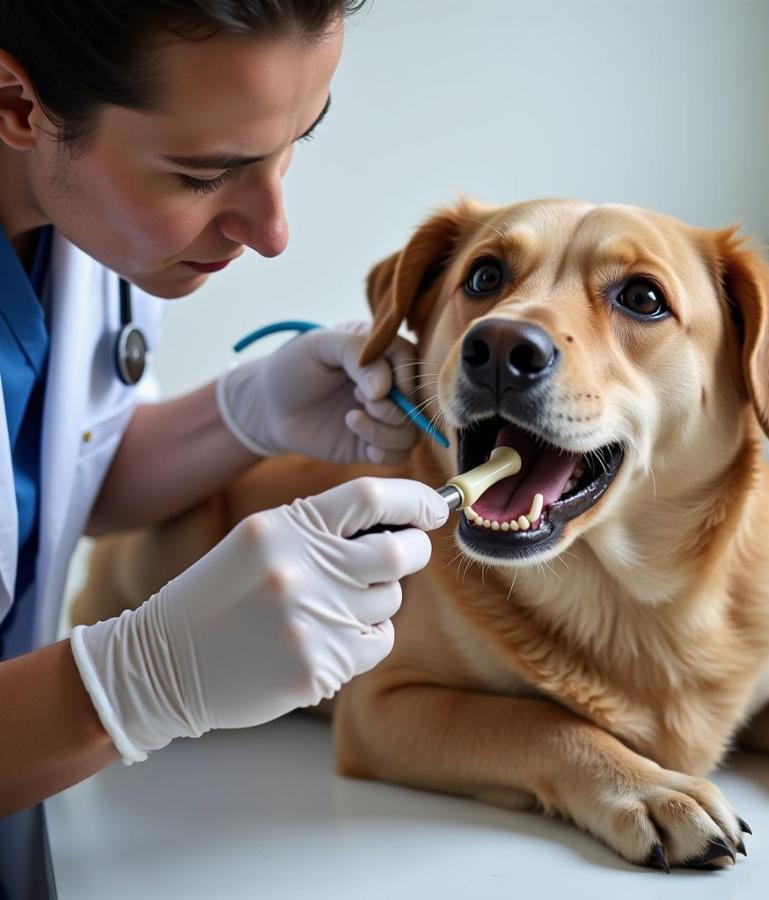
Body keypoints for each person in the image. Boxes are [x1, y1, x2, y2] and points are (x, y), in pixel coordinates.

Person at [0, 1, 448, 894]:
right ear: (18, 104)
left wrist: (241, 416)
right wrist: (138, 684)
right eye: (206, 175)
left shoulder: (84, 227)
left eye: (296, 143)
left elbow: (50, 486)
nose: (273, 232)